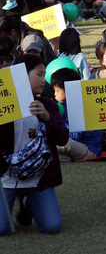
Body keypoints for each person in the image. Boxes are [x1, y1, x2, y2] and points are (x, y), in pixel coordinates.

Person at [0, 54, 68, 235]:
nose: (43, 80)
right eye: (39, 74)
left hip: (39, 179)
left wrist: (47, 118)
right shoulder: (4, 103)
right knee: (1, 228)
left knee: (52, 227)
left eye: (44, 74)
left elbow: (63, 139)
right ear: (22, 74)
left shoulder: (48, 105)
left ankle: (27, 204)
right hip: (5, 179)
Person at [52, 68, 102, 161]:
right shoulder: (67, 104)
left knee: (63, 143)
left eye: (57, 91)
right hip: (78, 147)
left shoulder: (81, 105)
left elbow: (75, 135)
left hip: (88, 149)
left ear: (68, 89)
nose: (55, 94)